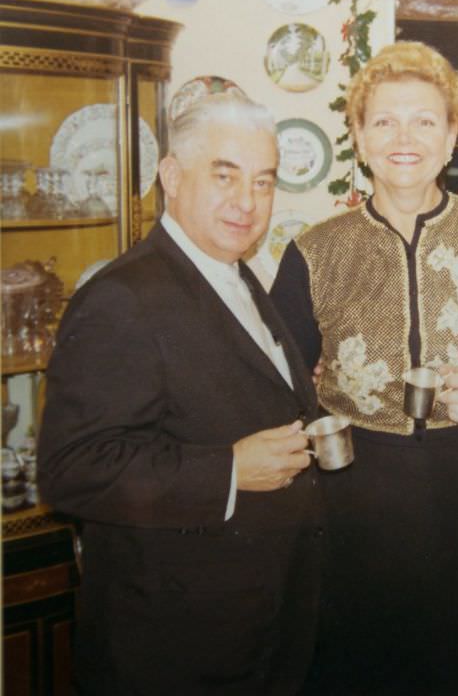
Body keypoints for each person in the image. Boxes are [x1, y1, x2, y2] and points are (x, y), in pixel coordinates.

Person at [37, 77, 323, 696]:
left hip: (252, 625)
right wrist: (227, 470)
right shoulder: (122, 297)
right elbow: (72, 468)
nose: (247, 201)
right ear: (171, 175)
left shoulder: (234, 273)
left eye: (264, 180)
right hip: (174, 647)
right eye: (224, 175)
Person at [270, 41, 458, 695]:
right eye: (383, 121)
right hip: (353, 498)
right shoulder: (314, 250)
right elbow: (275, 384)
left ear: (452, 136)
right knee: (354, 667)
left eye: (424, 121)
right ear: (357, 136)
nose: (403, 138)